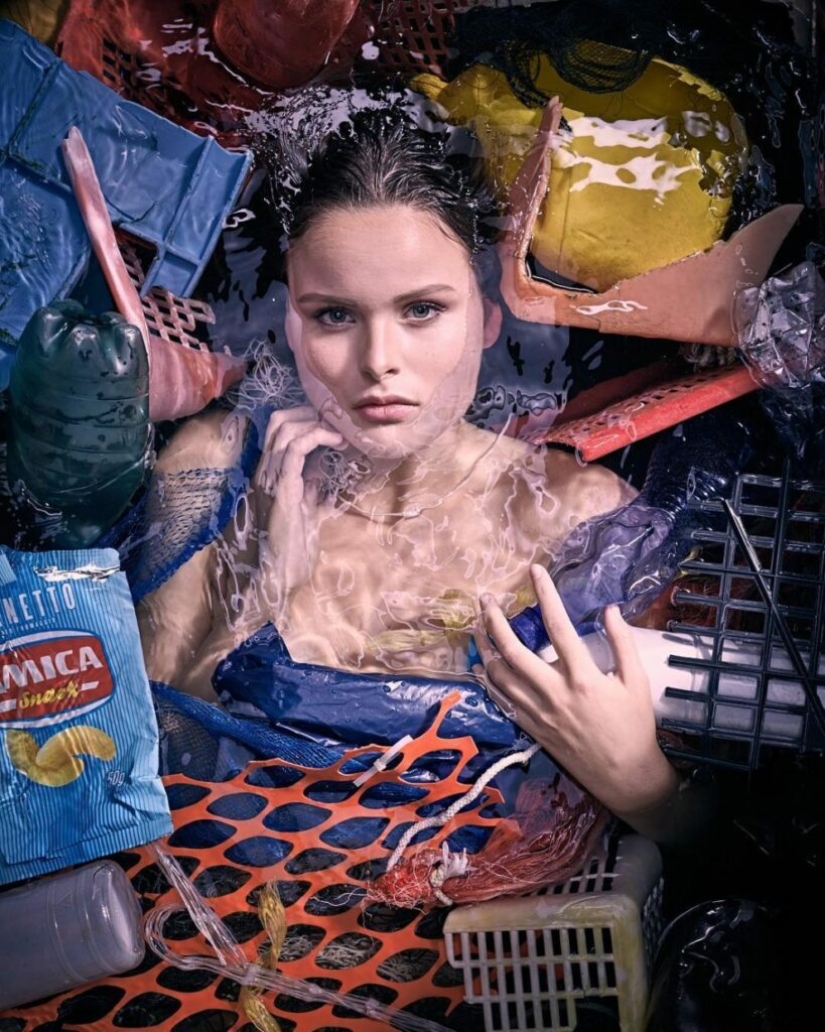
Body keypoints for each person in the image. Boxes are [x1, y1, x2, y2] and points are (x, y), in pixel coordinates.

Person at [137, 107, 706, 844]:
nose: (379, 361)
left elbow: (726, 849)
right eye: (335, 315)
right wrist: (269, 584)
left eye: (422, 310)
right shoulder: (214, 469)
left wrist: (636, 782)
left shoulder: (574, 519)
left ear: (486, 319)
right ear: (289, 323)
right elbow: (142, 770)